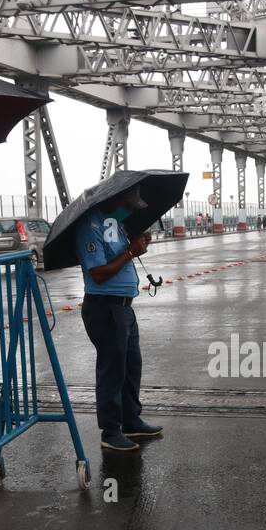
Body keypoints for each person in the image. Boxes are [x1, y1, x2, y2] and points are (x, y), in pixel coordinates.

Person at [76, 186, 164, 451]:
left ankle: (130, 420)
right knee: (112, 371)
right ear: (114, 199)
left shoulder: (116, 224)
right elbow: (99, 273)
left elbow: (121, 257)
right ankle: (111, 430)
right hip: (105, 308)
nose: (131, 210)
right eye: (128, 204)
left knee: (131, 366)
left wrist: (136, 244)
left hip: (124, 307)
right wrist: (131, 252)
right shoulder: (90, 226)